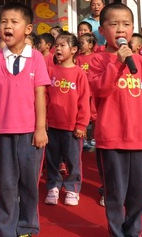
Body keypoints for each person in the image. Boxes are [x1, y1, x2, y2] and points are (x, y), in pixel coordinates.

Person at [87, 3, 142, 237]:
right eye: (114, 24)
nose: (120, 29)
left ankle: (134, 231)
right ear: (101, 29)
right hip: (111, 136)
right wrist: (117, 62)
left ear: (133, 29)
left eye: (126, 24)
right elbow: (99, 89)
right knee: (115, 193)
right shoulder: (98, 60)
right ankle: (117, 232)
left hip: (138, 135)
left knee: (137, 194)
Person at [0, 2, 50, 237]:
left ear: (28, 28)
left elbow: (40, 94)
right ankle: (6, 230)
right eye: (3, 22)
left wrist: (40, 128)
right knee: (7, 184)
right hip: (2, 131)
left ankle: (28, 227)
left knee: (29, 184)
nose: (7, 26)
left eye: (13, 22)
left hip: (30, 133)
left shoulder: (37, 59)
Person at [44, 32, 90, 206]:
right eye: (57, 45)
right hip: (52, 125)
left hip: (72, 127)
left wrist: (81, 124)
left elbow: (84, 100)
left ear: (74, 49)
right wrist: (44, 120)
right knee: (52, 158)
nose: (58, 49)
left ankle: (72, 188)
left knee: (72, 159)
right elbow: (45, 97)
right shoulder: (50, 71)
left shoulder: (79, 73)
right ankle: (53, 186)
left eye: (63, 45)